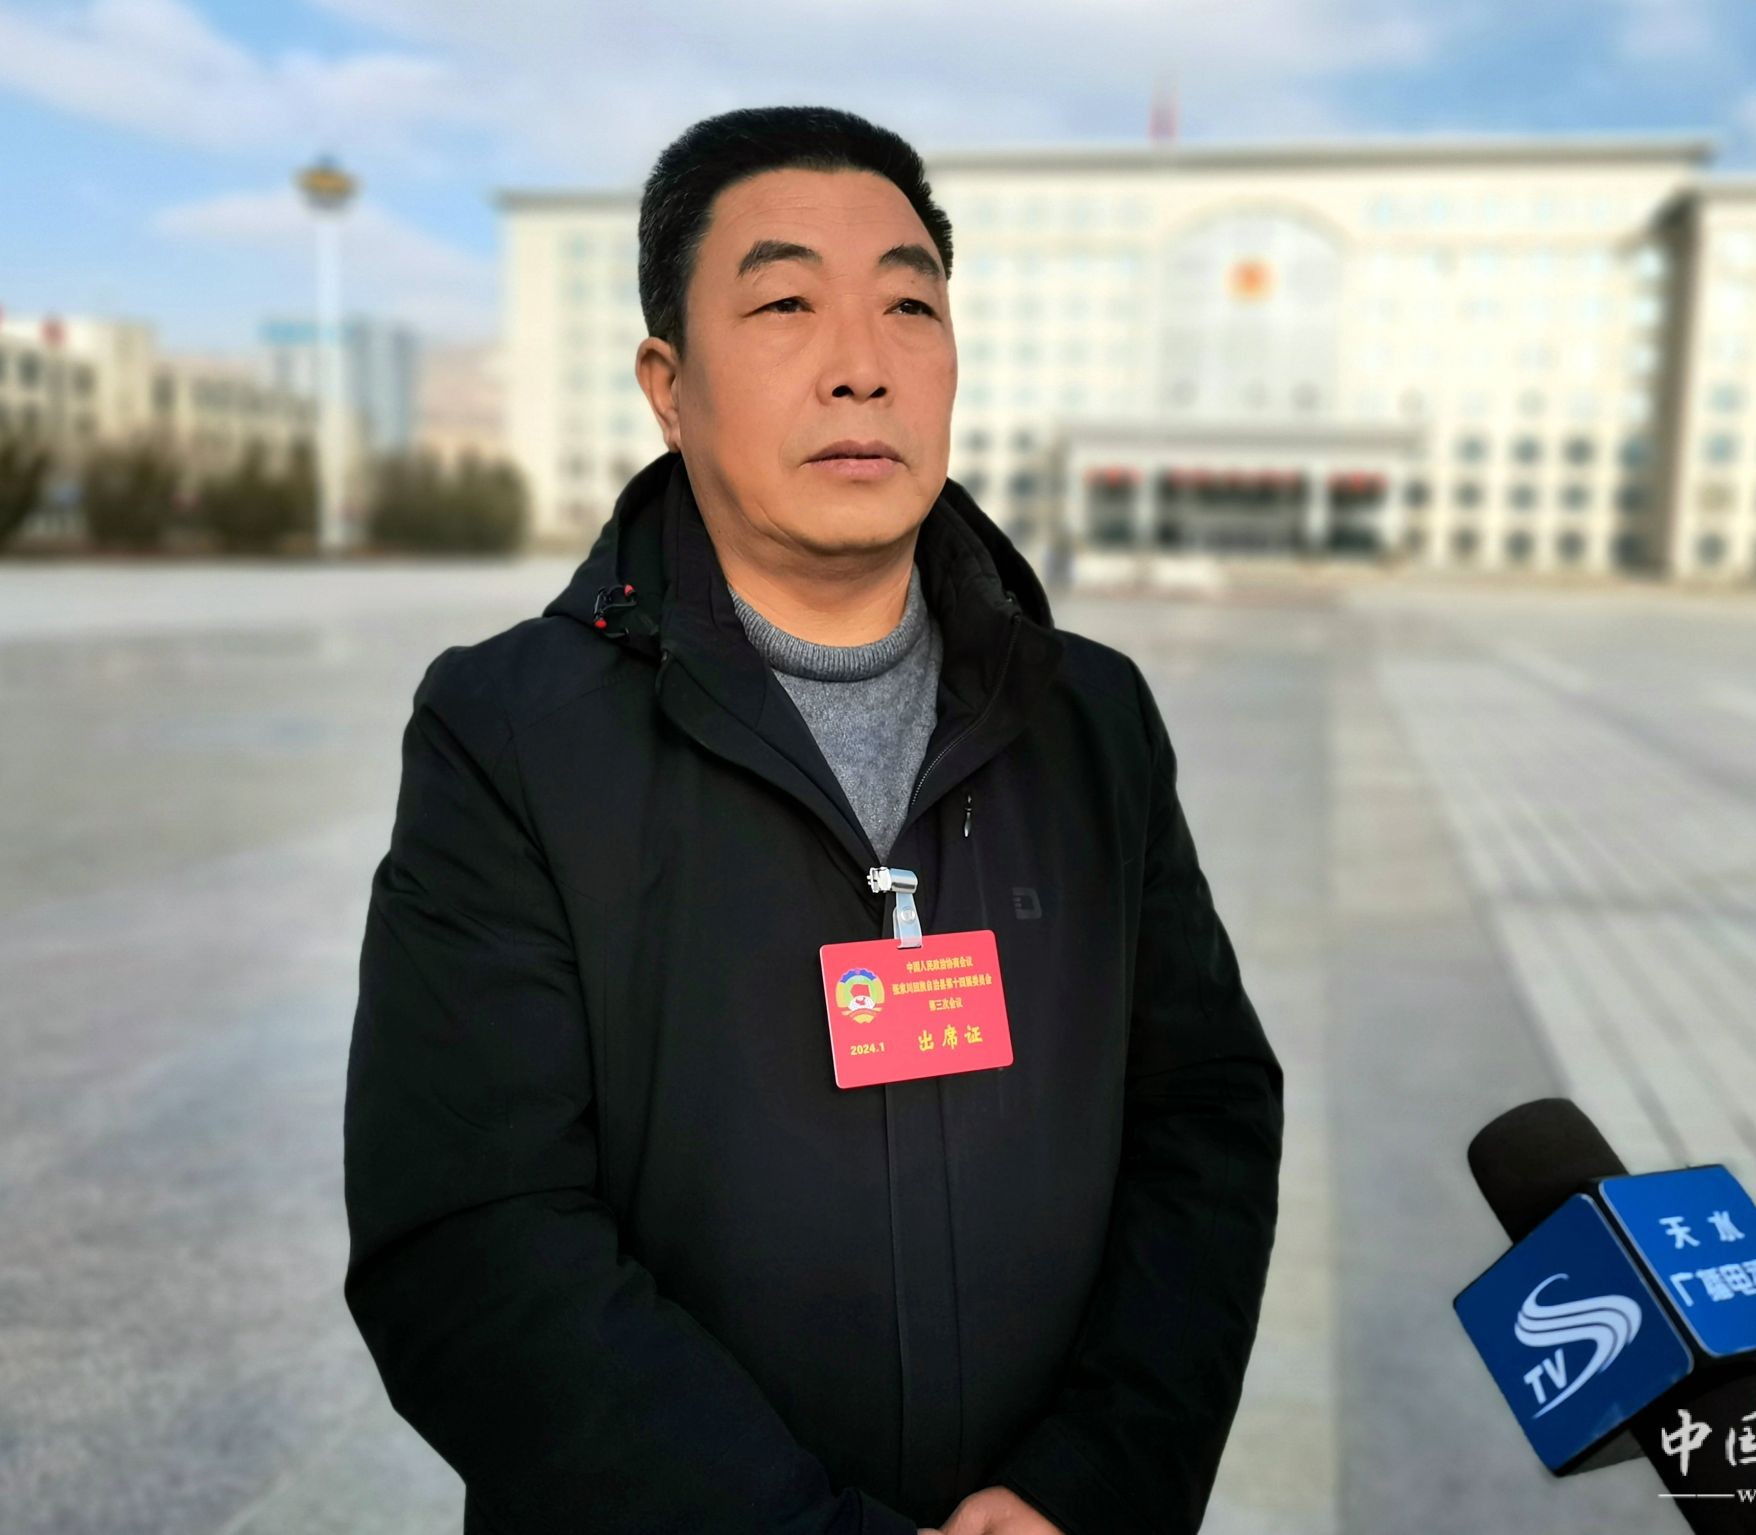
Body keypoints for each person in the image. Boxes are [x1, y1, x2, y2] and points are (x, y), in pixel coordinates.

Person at [343, 104, 1284, 1535]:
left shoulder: (1089, 718)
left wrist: (1089, 1486)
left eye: (910, 306)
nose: (862, 364)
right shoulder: (515, 732)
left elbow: (1202, 1119)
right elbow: (475, 1241)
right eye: (786, 305)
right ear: (669, 385)